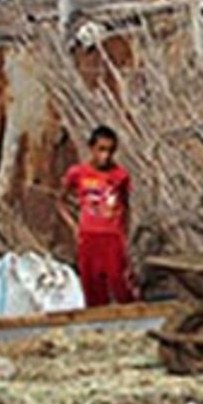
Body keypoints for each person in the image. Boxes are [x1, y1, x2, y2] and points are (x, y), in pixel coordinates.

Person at [62, 125, 134, 307]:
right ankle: (98, 324)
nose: (106, 156)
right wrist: (73, 226)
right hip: (88, 236)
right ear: (91, 148)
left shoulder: (120, 176)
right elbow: (60, 200)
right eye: (101, 150)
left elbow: (125, 205)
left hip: (112, 236)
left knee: (119, 281)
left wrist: (125, 233)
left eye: (110, 151)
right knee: (91, 284)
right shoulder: (77, 174)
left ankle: (131, 320)